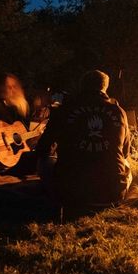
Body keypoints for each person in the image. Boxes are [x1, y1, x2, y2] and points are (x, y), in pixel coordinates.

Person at [36, 69, 132, 216]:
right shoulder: (119, 112)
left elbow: (43, 148)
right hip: (112, 194)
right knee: (126, 164)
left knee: (43, 161)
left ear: (81, 87)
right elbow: (125, 153)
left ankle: (60, 186)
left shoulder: (64, 110)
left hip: (70, 194)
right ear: (105, 87)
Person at [0, 72, 48, 175]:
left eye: (14, 87)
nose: (12, 90)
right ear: (0, 88)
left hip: (11, 157)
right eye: (8, 87)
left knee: (40, 157)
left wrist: (35, 135)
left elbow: (20, 137)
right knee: (40, 161)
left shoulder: (16, 109)